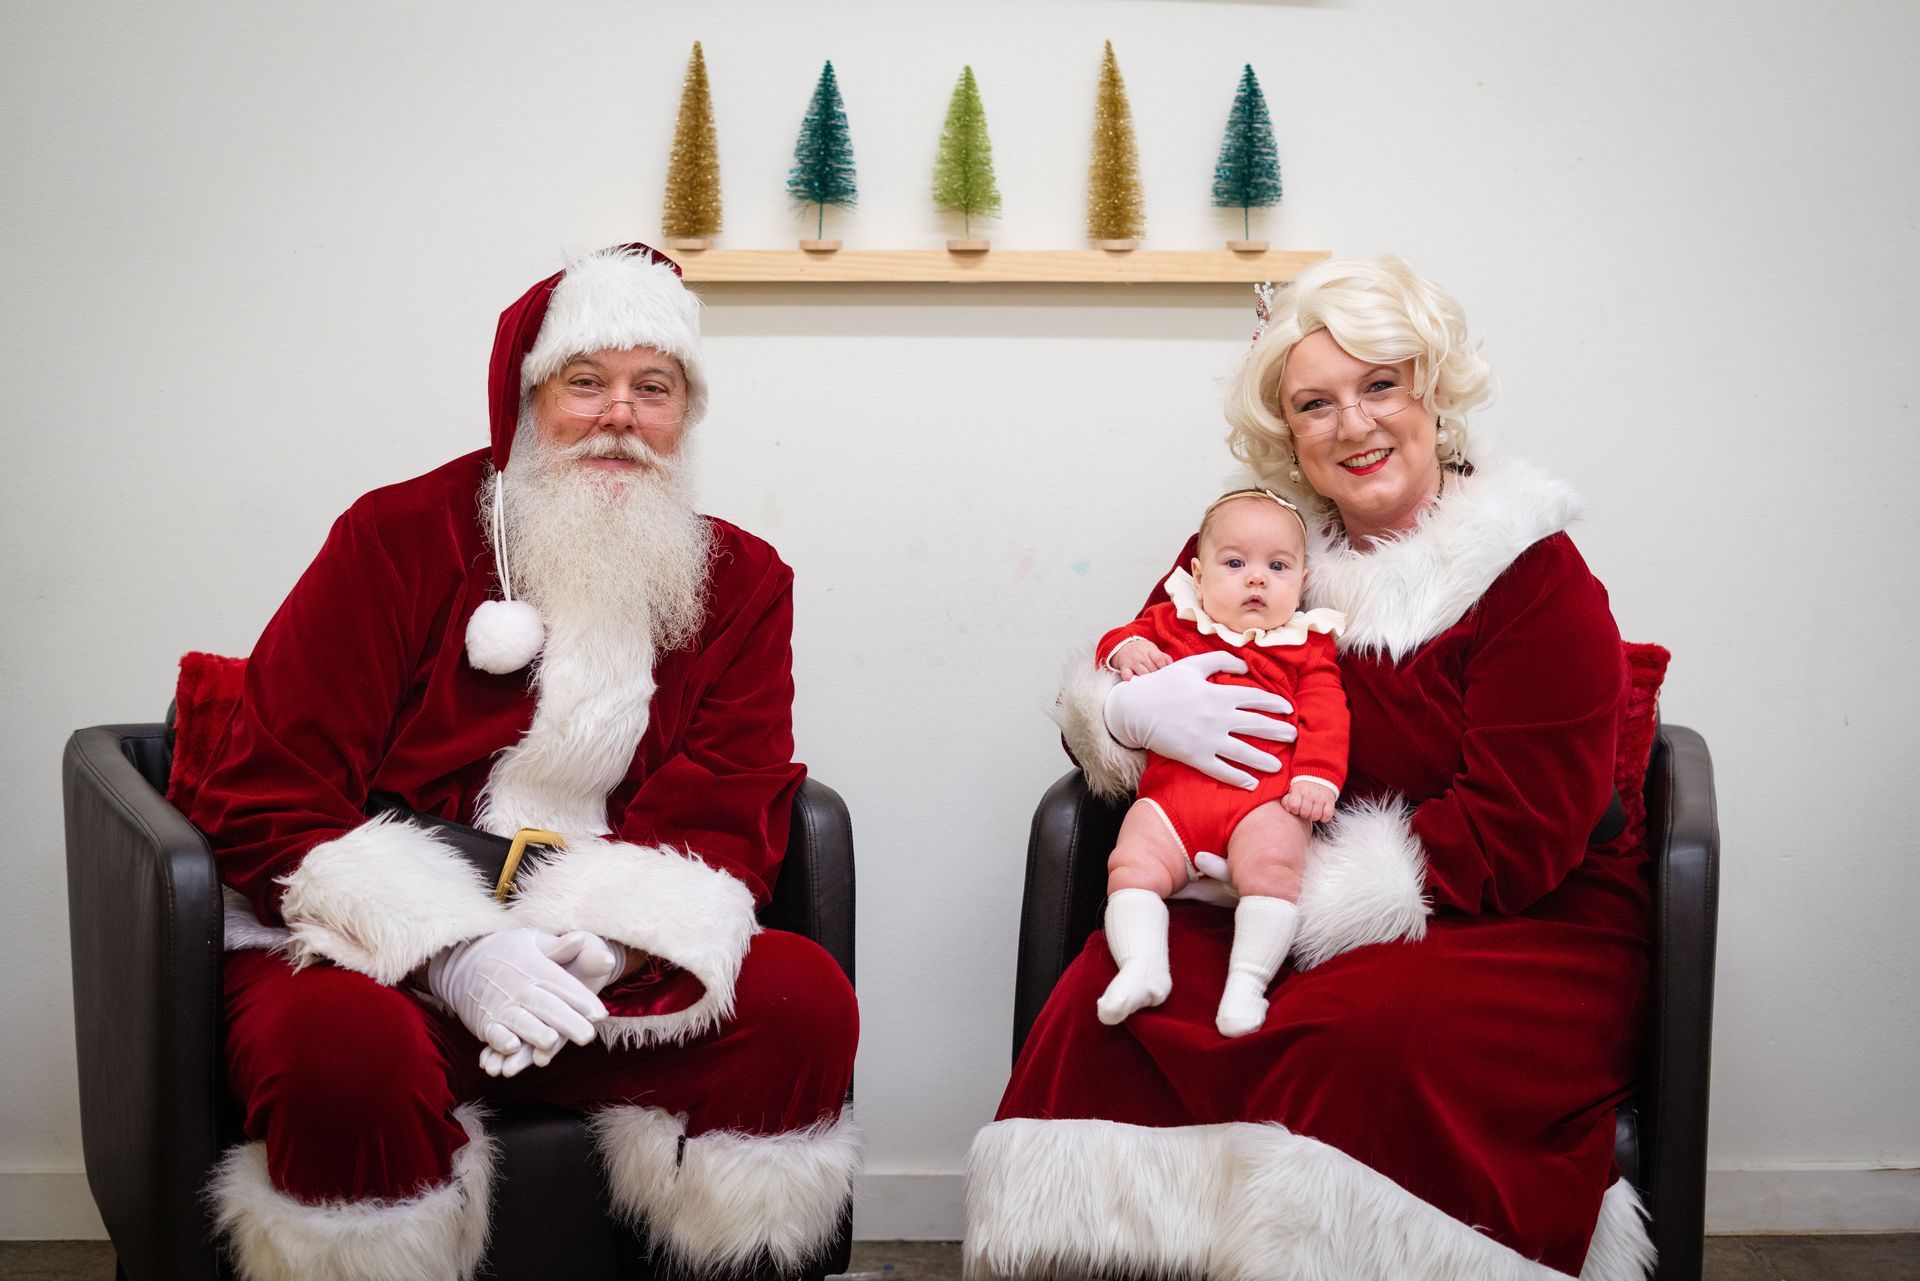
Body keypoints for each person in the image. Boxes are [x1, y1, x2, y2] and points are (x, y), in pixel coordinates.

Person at [966, 257, 1654, 1280]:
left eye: (1381, 385)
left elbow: (1527, 830)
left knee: (1358, 1038)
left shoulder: (1530, 571)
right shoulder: (1259, 545)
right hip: (1254, 880)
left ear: (1433, 388)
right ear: (1286, 430)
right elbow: (1134, 664)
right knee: (1106, 1005)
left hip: (1496, 914)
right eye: (1315, 404)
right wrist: (1120, 703)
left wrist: (1293, 894)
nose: (1356, 425)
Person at [184, 244, 859, 1281]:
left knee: (800, 996)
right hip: (372, 958)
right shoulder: (395, 537)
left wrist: (616, 949)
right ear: (525, 398)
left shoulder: (746, 583)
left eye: (654, 389)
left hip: (595, 969)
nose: (619, 417)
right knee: (342, 1051)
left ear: (686, 416)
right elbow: (269, 789)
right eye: (584, 383)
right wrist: (451, 949)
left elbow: (729, 804)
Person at [1092, 488, 1347, 1037]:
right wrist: (1124, 652)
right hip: (1172, 802)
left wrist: (1316, 777)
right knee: (1131, 865)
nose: (1256, 579)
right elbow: (1117, 638)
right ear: (1198, 576)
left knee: (1274, 870)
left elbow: (1326, 715)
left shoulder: (1305, 646)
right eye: (1235, 563)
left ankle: (1247, 984)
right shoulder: (1175, 622)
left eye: (1277, 566)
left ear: (1301, 582)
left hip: (1264, 802)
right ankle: (1142, 966)